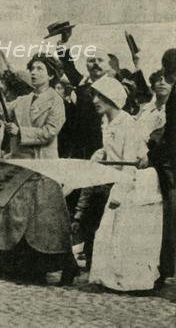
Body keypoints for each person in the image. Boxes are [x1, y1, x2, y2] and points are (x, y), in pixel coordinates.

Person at [0, 54, 77, 285]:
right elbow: (3, 110)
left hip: (43, 167)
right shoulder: (24, 99)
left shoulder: (56, 100)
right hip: (22, 166)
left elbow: (49, 132)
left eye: (40, 68)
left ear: (50, 75)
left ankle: (64, 266)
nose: (35, 72)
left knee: (47, 221)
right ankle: (22, 265)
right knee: (20, 218)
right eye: (32, 68)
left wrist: (21, 133)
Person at [71, 76, 160, 291]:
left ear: (112, 98)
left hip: (133, 186)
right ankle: (108, 278)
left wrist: (119, 195)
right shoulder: (106, 124)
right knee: (108, 231)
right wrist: (100, 155)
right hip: (115, 182)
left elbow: (129, 163)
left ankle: (128, 281)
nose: (95, 100)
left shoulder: (127, 124)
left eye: (100, 96)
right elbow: (111, 154)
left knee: (123, 233)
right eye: (94, 95)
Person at [149, 49, 176, 284]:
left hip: (172, 168)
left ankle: (166, 268)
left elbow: (171, 135)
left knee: (170, 218)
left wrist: (153, 153)